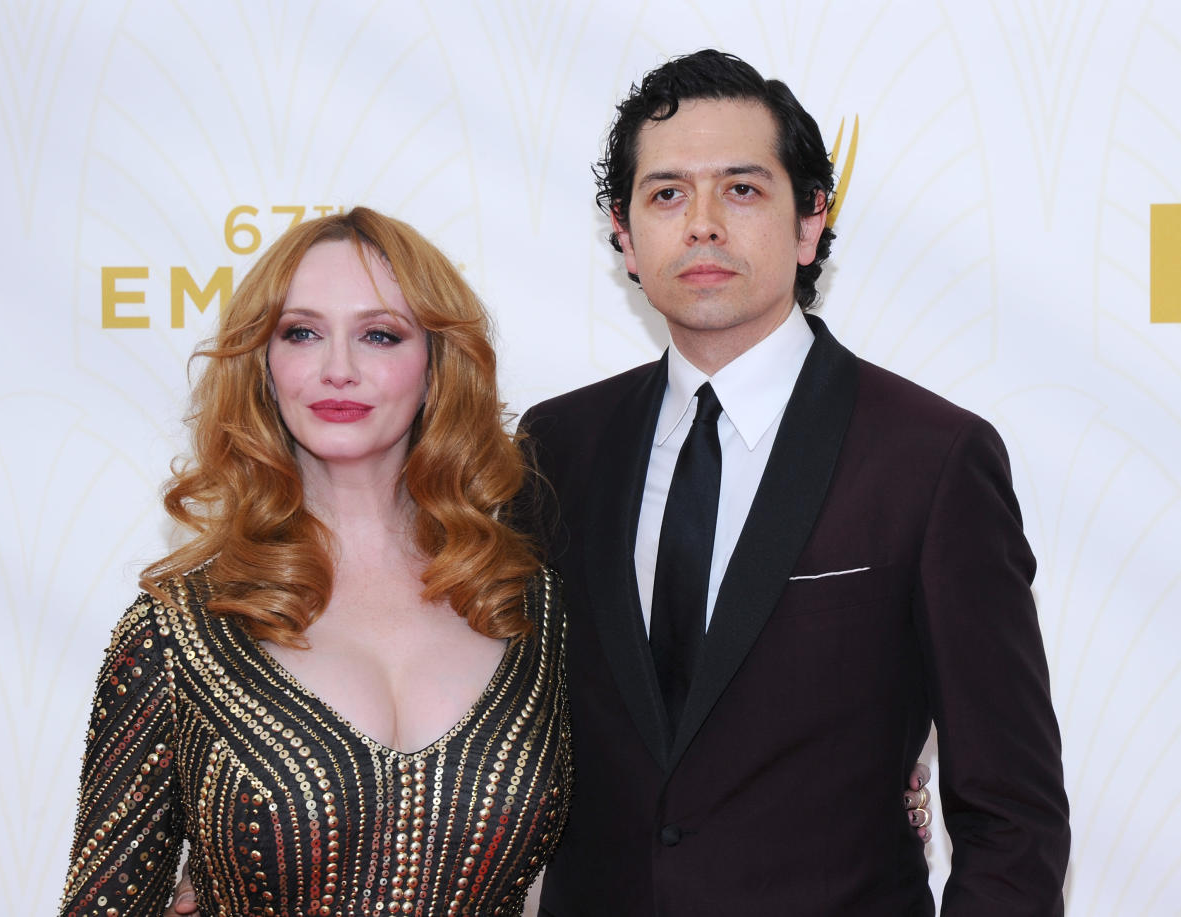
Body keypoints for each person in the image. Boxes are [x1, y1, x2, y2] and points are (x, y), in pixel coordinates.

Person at [519, 50, 1070, 915]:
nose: (700, 223)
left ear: (809, 222)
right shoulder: (557, 446)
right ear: (623, 236)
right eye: (665, 194)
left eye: (741, 189)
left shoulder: (929, 458)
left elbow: (1013, 815)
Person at [59, 207, 573, 917]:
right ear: (265, 367)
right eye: (301, 333)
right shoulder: (177, 628)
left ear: (435, 367)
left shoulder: (537, 608)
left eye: (379, 334)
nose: (338, 369)